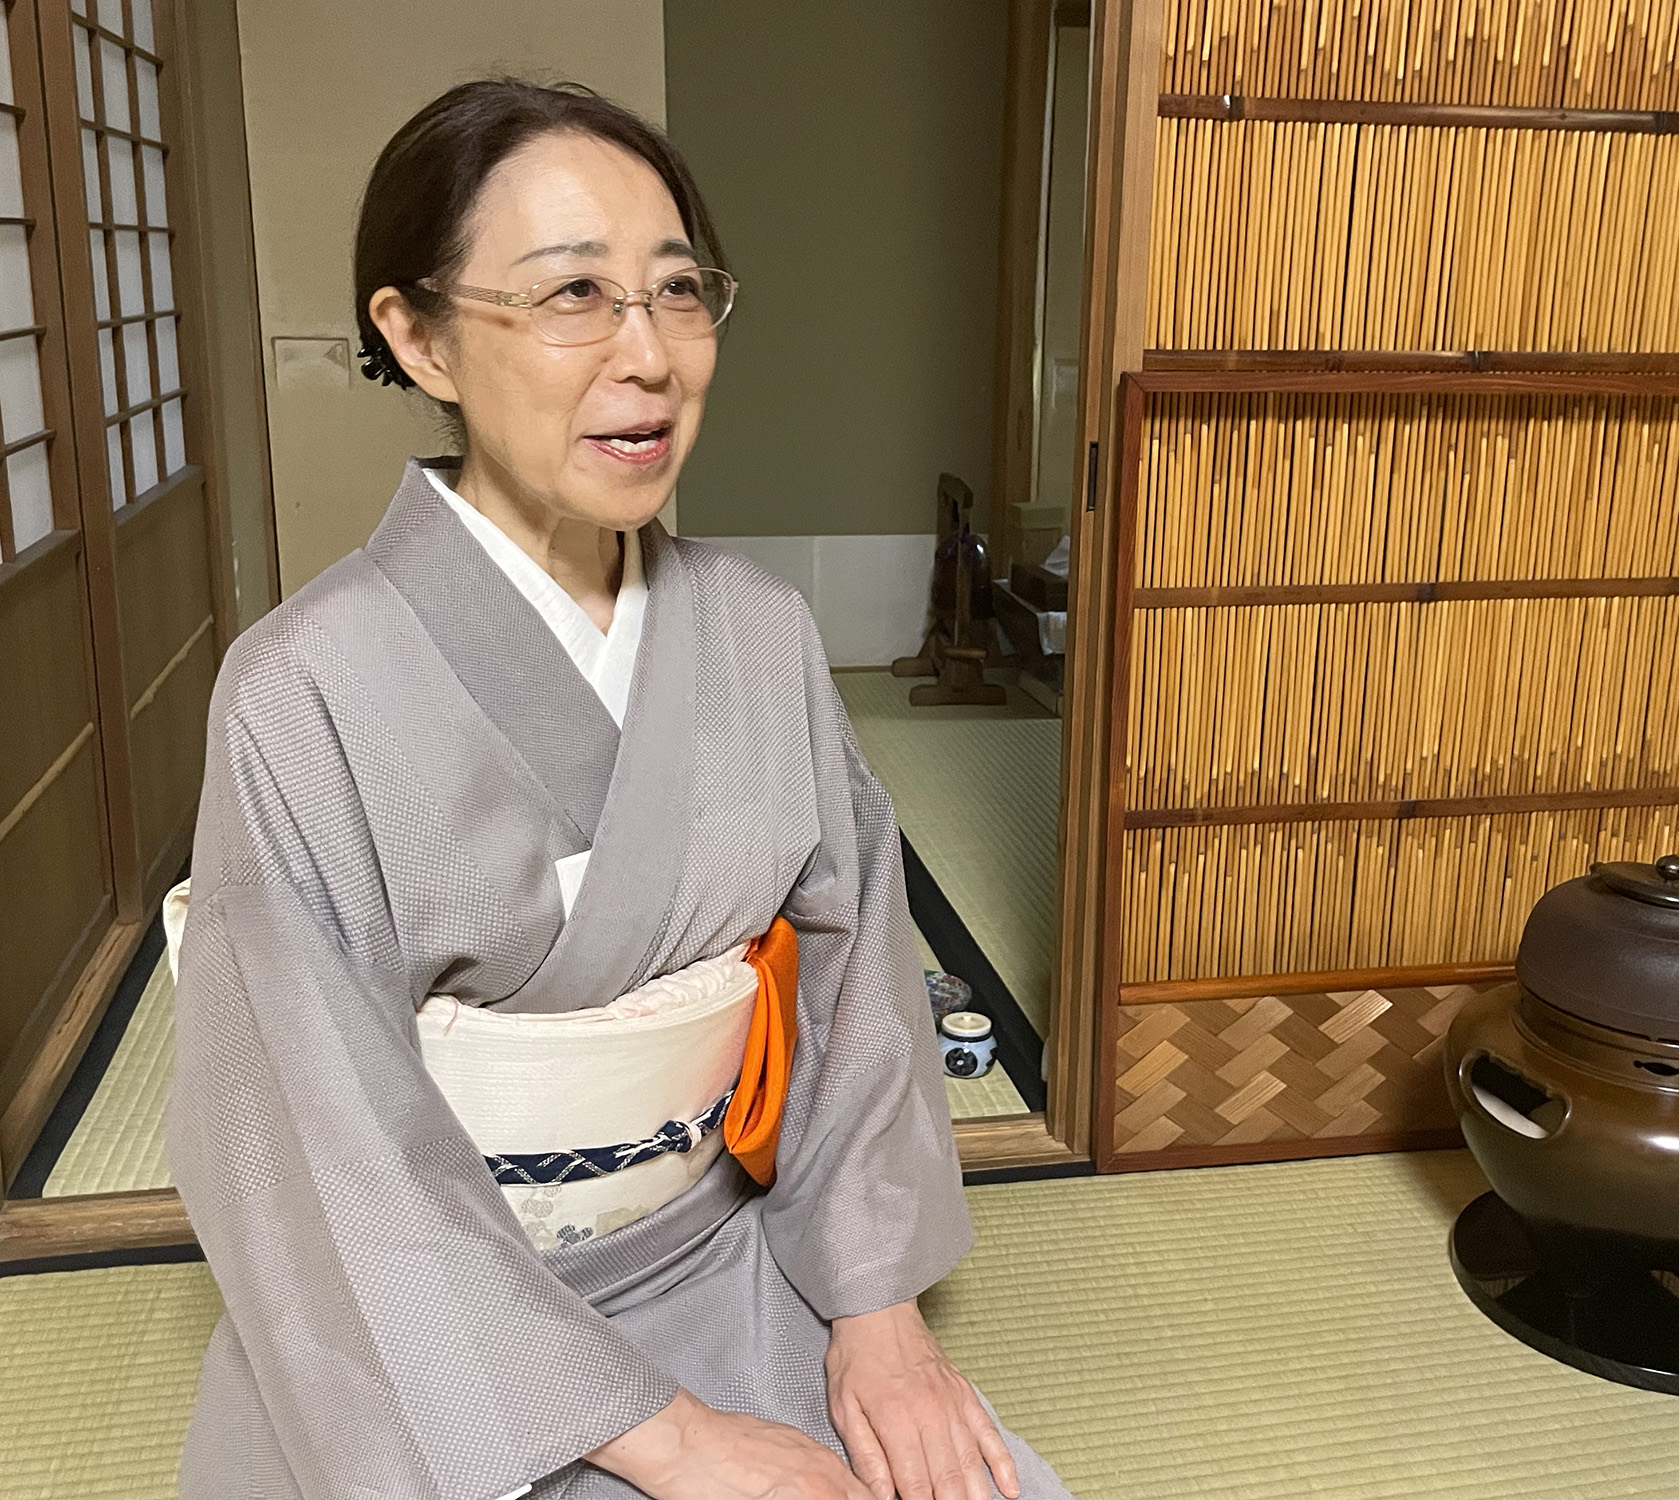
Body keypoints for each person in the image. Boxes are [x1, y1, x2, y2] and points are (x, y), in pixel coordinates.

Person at [166, 79, 1074, 1500]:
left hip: (721, 1252)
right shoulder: (302, 690)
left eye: (677, 291)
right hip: (430, 1320)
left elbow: (853, 981)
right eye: (573, 294)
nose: (648, 355)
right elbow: (310, 1140)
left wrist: (879, 1317)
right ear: (419, 337)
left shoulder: (757, 632)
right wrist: (679, 1440)